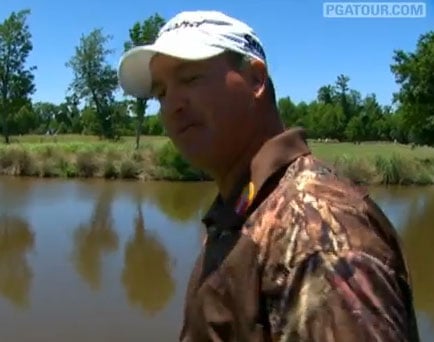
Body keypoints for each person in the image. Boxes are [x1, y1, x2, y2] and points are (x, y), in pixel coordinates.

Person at [117, 10, 420, 341]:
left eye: (190, 78)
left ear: (256, 80)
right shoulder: (247, 207)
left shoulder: (316, 226)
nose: (171, 104)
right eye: (161, 92)